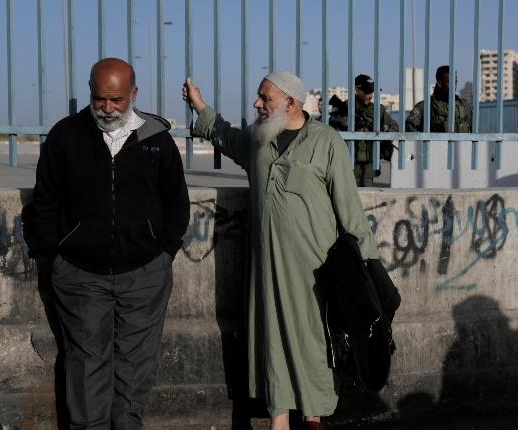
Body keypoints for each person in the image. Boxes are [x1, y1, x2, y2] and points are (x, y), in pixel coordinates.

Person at [182, 71, 380, 430]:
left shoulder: (327, 142)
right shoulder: (259, 139)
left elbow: (349, 209)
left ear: (291, 102)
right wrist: (200, 106)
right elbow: (225, 136)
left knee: (311, 340)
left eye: (265, 98)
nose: (257, 104)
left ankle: (313, 416)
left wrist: (371, 269)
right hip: (266, 269)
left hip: (314, 271)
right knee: (270, 340)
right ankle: (279, 419)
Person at [30, 58, 191, 428]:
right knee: (86, 365)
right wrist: (53, 256)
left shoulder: (156, 139)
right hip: (79, 275)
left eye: (117, 100)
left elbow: (176, 203)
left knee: (135, 367)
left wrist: (163, 253)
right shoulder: (66, 135)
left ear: (133, 94)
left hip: (144, 275)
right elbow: (45, 203)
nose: (108, 108)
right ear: (90, 92)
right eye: (100, 98)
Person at [328, 74, 399, 187]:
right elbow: (331, 131)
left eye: (371, 91)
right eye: (366, 91)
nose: (370, 95)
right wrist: (349, 126)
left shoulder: (378, 109)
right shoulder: (344, 108)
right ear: (357, 90)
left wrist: (383, 131)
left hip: (369, 164)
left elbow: (394, 127)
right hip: (347, 162)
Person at [405, 65, 472, 133]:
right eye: (449, 82)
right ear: (440, 83)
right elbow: (409, 127)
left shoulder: (465, 105)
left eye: (455, 82)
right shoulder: (425, 106)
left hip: (462, 143)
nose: (453, 86)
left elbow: (474, 130)